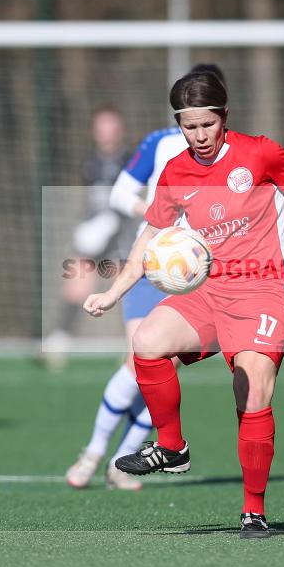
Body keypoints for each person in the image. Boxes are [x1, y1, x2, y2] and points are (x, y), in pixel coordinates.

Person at [83, 71, 284, 537]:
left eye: (208, 124)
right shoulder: (175, 172)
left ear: (224, 118)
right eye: (190, 127)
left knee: (251, 393)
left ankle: (253, 510)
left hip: (265, 292)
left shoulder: (259, 152)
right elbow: (149, 237)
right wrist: (113, 293)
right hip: (209, 291)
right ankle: (171, 447)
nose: (200, 136)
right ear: (179, 125)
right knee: (146, 342)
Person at [65, 65, 226, 492]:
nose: (197, 119)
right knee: (138, 362)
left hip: (197, 279)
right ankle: (94, 450)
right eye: (188, 106)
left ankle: (122, 462)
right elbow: (121, 192)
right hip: (152, 267)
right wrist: (162, 224)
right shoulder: (159, 143)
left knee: (163, 370)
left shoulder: (234, 154)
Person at [43, 105, 134, 368]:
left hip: (120, 234)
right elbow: (91, 200)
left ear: (119, 130)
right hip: (95, 234)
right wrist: (86, 226)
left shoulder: (129, 159)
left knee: (126, 288)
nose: (106, 133)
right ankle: (59, 340)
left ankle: (134, 347)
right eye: (101, 127)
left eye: (110, 126)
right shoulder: (90, 162)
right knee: (76, 285)